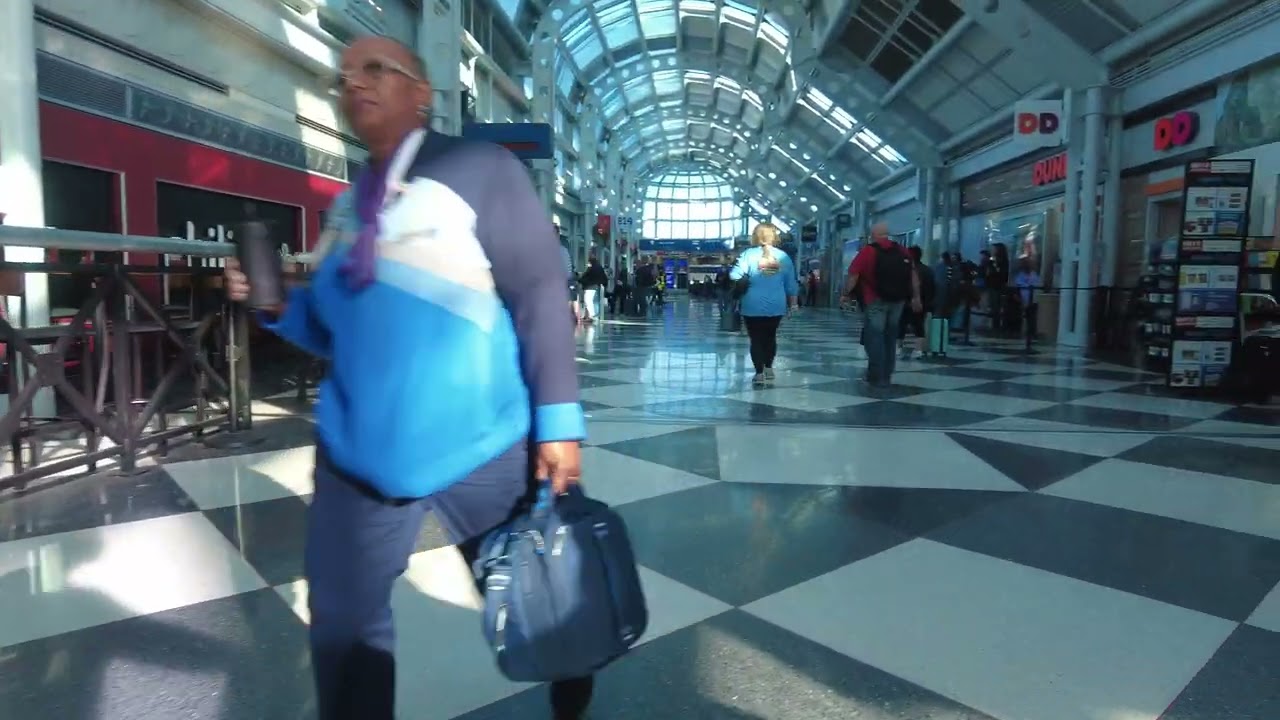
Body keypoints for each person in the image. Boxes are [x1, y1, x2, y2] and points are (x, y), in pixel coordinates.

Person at [221, 36, 592, 720]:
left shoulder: (479, 168)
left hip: (485, 448)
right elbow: (334, 332)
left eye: (375, 69)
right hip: (357, 458)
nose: (352, 83)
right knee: (341, 625)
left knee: (547, 600)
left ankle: (573, 690)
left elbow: (540, 289)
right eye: (342, 76)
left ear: (423, 93)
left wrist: (560, 424)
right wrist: (275, 305)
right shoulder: (347, 205)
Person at [842, 223, 922, 387]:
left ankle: (875, 375)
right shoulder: (902, 250)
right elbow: (913, 275)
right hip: (898, 300)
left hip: (875, 299)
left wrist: (845, 294)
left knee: (875, 337)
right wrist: (916, 297)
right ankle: (887, 374)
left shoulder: (868, 251)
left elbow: (853, 275)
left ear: (873, 235)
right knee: (890, 337)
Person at [730, 222, 798, 385]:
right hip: (776, 304)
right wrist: (793, 304)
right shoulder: (783, 257)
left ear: (755, 237)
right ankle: (768, 367)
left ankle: (759, 373)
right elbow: (791, 284)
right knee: (770, 336)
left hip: (751, 304)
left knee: (756, 339)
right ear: (774, 237)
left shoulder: (748, 255)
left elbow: (734, 275)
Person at [579, 255, 607, 323]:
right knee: (593, 301)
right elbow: (603, 277)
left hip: (590, 286)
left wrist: (580, 280)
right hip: (596, 286)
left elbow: (586, 276)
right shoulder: (598, 267)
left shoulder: (592, 268)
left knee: (588, 300)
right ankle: (588, 315)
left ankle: (591, 315)